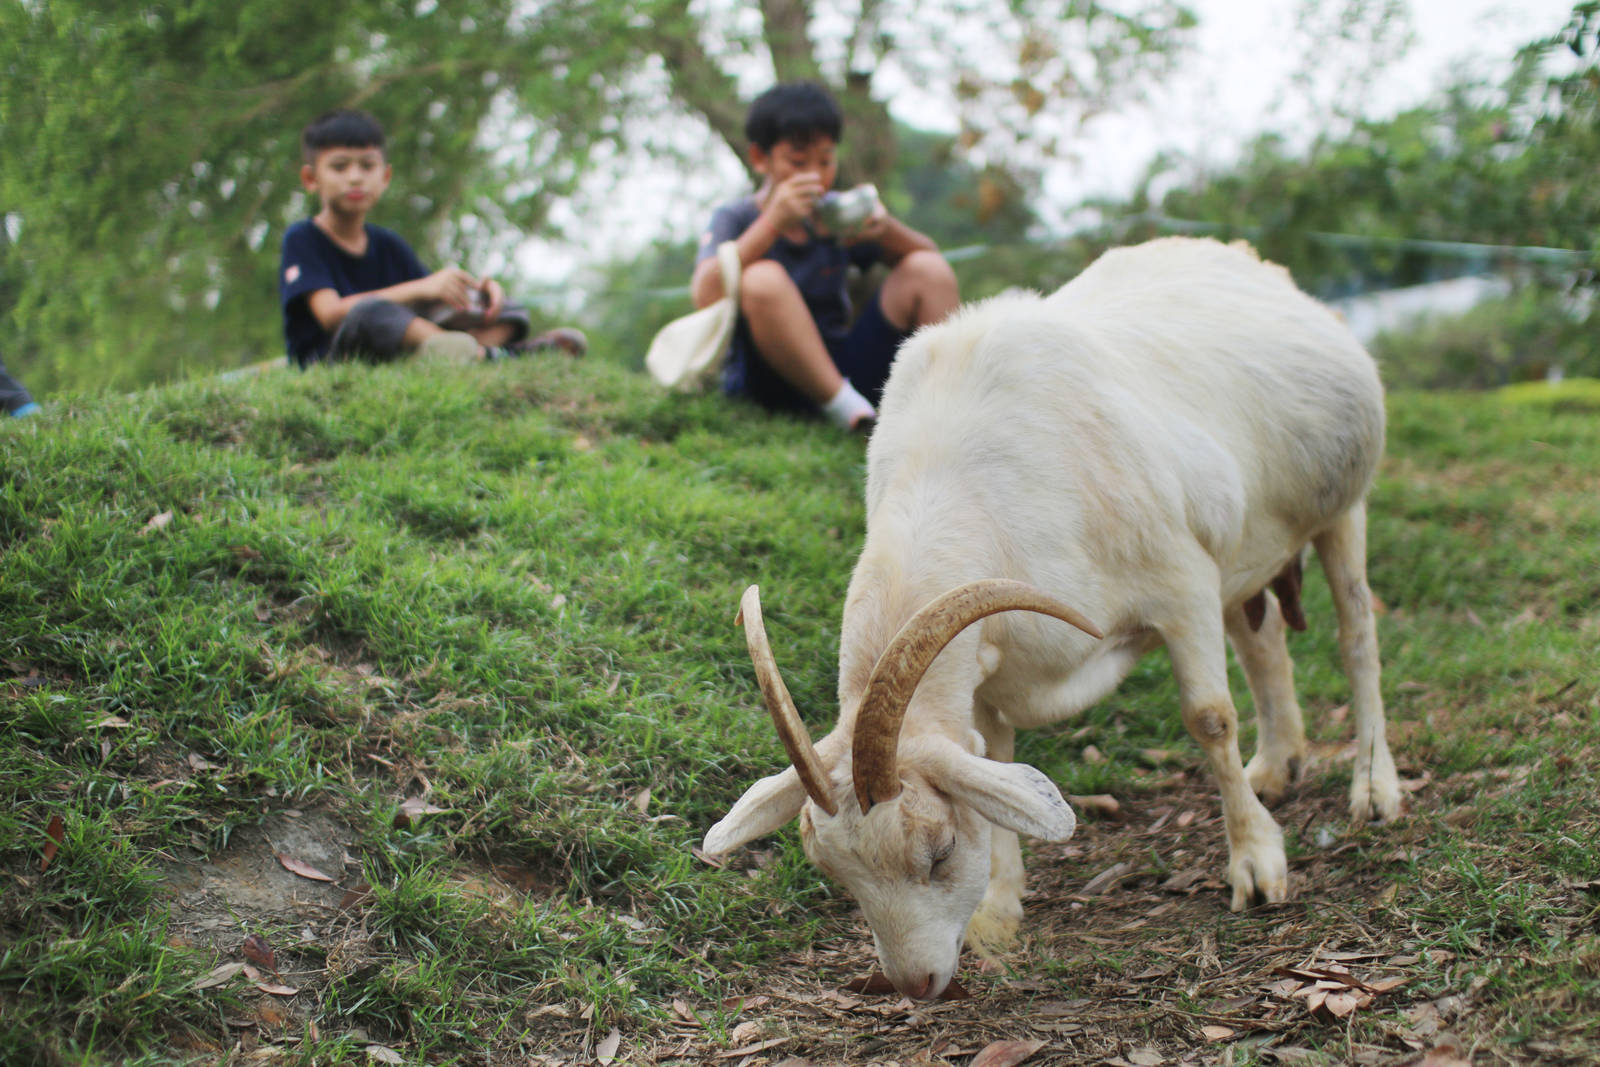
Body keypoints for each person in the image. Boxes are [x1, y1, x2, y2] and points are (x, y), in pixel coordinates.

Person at [690, 82, 959, 432]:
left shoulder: (835, 216)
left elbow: (934, 270)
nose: (815, 176)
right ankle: (849, 412)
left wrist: (885, 229)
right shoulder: (737, 217)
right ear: (759, 158)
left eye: (826, 161)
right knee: (761, 278)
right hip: (767, 381)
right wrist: (771, 224)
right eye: (798, 162)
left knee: (927, 269)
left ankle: (946, 410)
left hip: (844, 367)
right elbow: (704, 293)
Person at [279, 109, 585, 370]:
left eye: (367, 166)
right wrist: (422, 287)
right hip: (332, 360)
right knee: (369, 313)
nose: (355, 177)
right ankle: (491, 357)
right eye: (339, 167)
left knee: (508, 307)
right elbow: (330, 314)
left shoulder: (387, 244)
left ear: (385, 177)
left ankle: (473, 353)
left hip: (397, 351)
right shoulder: (303, 238)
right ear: (311, 179)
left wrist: (477, 293)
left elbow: (435, 301)